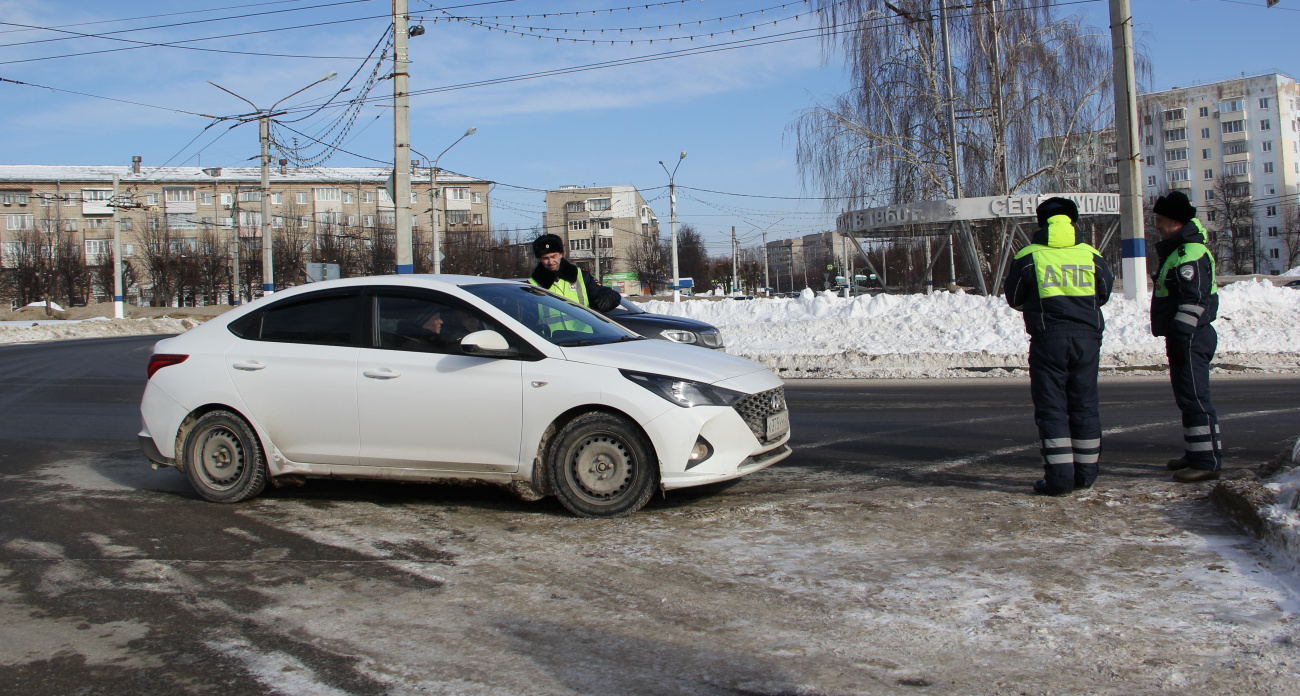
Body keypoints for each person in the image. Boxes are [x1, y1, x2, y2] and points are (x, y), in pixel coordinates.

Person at [1004, 197, 1115, 496]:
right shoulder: (1091, 254)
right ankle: (1086, 475)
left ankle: (1060, 479)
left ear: (1041, 222)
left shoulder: (1028, 255)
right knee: (1085, 406)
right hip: (1087, 339)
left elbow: (1014, 297)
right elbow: (1103, 293)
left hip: (1048, 339)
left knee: (1052, 409)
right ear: (1073, 221)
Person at [1150, 191, 1223, 483]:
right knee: (1187, 399)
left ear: (1177, 222)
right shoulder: (1181, 250)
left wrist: (1181, 335)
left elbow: (1195, 300)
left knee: (1195, 399)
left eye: (1161, 220)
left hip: (1191, 336)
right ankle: (1195, 453)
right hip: (1186, 335)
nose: (1157, 225)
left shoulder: (1190, 253)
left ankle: (1206, 461)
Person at [528, 233, 621, 312]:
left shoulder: (581, 276)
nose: (551, 262)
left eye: (553, 256)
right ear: (539, 259)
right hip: (550, 333)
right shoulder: (532, 284)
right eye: (546, 258)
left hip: (583, 332)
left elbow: (605, 292)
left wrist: (607, 298)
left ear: (561, 254)